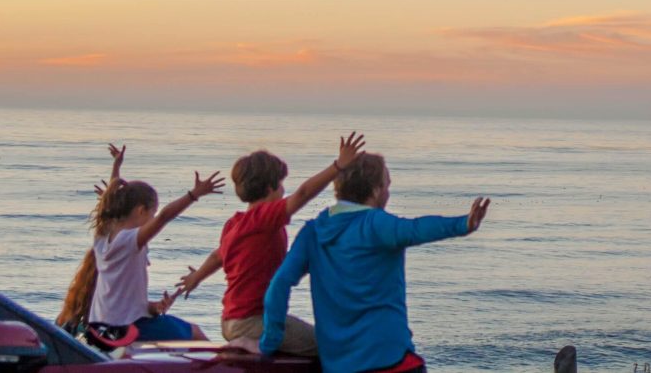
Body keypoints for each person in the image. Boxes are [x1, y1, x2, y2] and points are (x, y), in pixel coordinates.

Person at [259, 148, 490, 372]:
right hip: (390, 359)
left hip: (339, 365)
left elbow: (279, 284)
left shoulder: (313, 232)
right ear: (376, 190)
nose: (388, 193)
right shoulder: (375, 224)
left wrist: (271, 341)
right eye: (387, 186)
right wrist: (463, 224)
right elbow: (415, 229)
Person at [167, 129, 367, 354]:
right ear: (270, 187)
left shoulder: (235, 224)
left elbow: (217, 256)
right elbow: (302, 194)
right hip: (254, 323)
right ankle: (254, 346)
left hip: (231, 320)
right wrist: (338, 166)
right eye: (281, 184)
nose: (284, 190)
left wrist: (197, 277)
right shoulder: (264, 218)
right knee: (332, 345)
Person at [56, 142, 227, 346]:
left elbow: (110, 202)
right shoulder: (130, 241)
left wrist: (152, 307)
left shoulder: (103, 235)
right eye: (151, 214)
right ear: (140, 211)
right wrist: (194, 195)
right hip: (125, 328)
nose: (153, 219)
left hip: (101, 326)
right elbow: (164, 217)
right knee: (196, 334)